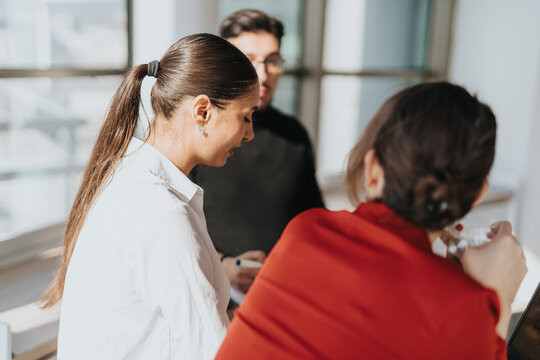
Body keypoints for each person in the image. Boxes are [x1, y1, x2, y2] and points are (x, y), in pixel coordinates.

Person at [216, 82, 528, 359]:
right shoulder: (462, 310)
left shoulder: (307, 229)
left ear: (373, 167)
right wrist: (497, 297)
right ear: (478, 194)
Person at [40, 33, 259, 359]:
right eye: (245, 116)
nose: (250, 133)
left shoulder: (127, 177)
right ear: (202, 111)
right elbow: (212, 353)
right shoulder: (162, 213)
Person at [189, 9, 325, 295]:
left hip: (281, 293)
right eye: (248, 60)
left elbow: (312, 221)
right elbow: (174, 225)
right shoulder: (198, 130)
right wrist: (223, 265)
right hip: (208, 290)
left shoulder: (294, 135)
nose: (262, 75)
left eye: (272, 61)